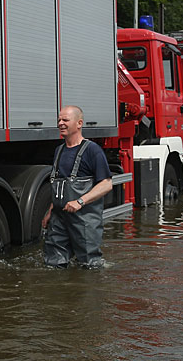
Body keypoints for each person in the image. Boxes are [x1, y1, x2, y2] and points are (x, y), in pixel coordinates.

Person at [42, 105, 113, 268]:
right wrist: (50, 211)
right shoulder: (59, 151)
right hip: (59, 218)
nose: (60, 123)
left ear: (79, 123)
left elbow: (107, 184)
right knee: (54, 264)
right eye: (59, 120)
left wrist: (80, 201)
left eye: (65, 120)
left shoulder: (92, 150)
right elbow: (60, 186)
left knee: (89, 265)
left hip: (84, 220)